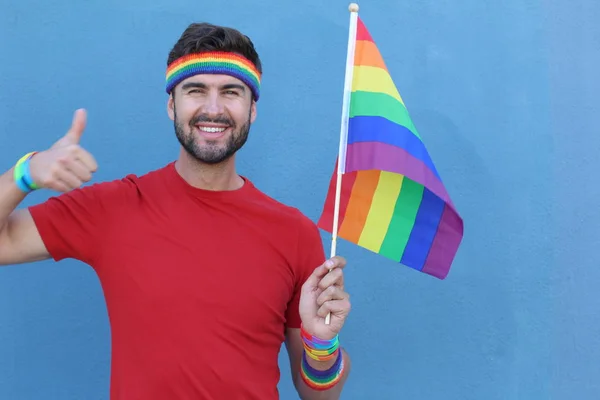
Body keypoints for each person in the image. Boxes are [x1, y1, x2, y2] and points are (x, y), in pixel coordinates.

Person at [0, 22, 352, 399]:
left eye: (231, 92)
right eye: (195, 90)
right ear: (172, 106)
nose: (213, 108)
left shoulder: (294, 232)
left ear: (252, 110)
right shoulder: (114, 208)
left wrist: (322, 346)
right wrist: (26, 173)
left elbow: (319, 395)